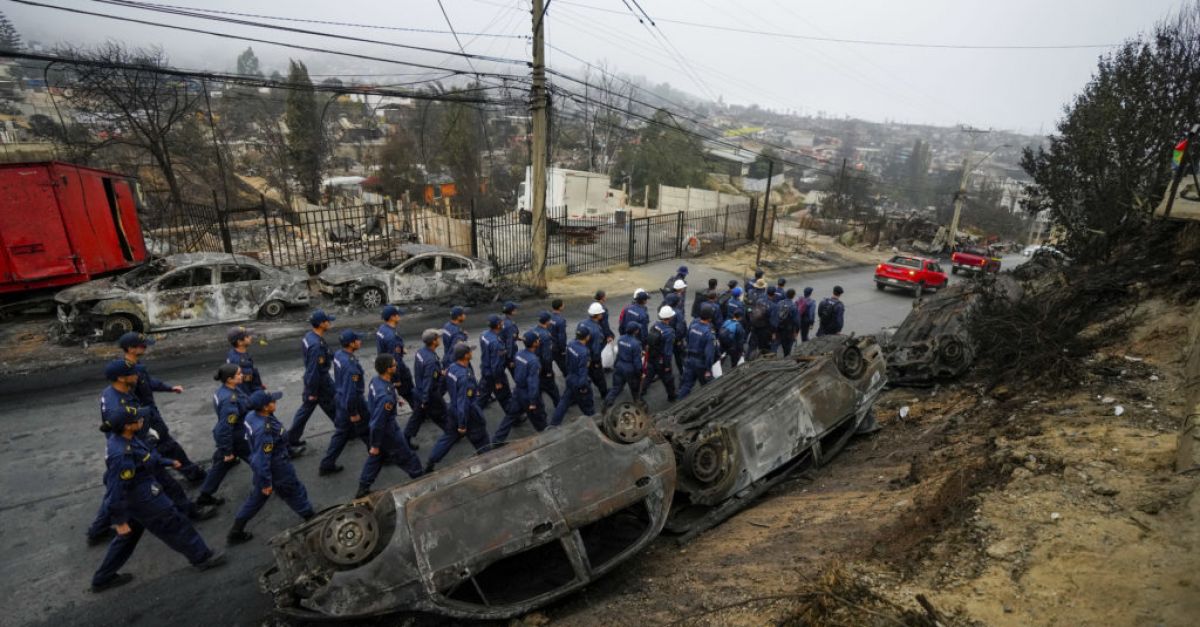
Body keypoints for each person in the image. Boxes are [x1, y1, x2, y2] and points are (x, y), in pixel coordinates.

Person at [90, 399, 225, 593]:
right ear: (128, 426)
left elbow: (146, 457)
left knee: (127, 538)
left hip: (136, 500)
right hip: (145, 501)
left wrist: (168, 462)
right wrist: (119, 520)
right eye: (138, 419)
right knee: (176, 525)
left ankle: (102, 578)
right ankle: (202, 557)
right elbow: (115, 489)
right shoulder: (122, 454)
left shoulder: (127, 438)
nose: (142, 420)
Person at [86, 360, 216, 547]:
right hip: (133, 449)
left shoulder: (115, 392)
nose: (137, 376)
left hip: (133, 445)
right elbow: (123, 428)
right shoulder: (118, 403)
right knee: (164, 482)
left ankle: (97, 530)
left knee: (117, 489)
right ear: (122, 378)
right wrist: (145, 442)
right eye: (133, 373)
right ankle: (190, 511)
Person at [228, 391, 315, 545]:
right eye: (272, 402)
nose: (275, 402)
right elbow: (262, 459)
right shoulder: (265, 429)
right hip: (277, 468)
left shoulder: (252, 417)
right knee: (293, 491)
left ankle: (236, 530)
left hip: (264, 469)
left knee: (256, 498)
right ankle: (312, 519)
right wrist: (267, 482)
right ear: (265, 407)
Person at [118, 332, 205, 483]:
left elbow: (149, 382)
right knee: (167, 446)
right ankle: (191, 474)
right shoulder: (128, 372)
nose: (145, 348)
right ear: (131, 349)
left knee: (159, 447)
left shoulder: (137, 367)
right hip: (146, 417)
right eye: (141, 345)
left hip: (148, 414)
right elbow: (129, 399)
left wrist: (169, 388)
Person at [356, 355, 423, 498]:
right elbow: (378, 423)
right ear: (388, 369)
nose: (396, 366)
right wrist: (374, 444)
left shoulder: (376, 381)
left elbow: (381, 396)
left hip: (382, 429)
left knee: (376, 458)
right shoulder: (386, 397)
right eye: (394, 365)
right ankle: (421, 479)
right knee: (408, 457)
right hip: (389, 432)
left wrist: (396, 398)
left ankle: (363, 486)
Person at [425, 344, 491, 473]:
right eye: (470, 352)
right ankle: (489, 461)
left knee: (448, 437)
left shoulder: (451, 368)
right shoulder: (464, 376)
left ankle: (431, 461)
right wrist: (462, 424)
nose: (471, 353)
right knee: (481, 439)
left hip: (452, 410)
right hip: (468, 414)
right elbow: (464, 403)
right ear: (466, 356)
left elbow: (442, 387)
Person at [195, 364, 251, 508]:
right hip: (236, 437)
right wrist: (227, 450)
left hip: (231, 437)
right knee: (258, 460)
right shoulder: (229, 400)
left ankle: (205, 495)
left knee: (220, 465)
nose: (242, 375)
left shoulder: (226, 390)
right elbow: (225, 427)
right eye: (238, 374)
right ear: (230, 379)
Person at [318, 330, 369, 476]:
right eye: (358, 340)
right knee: (366, 428)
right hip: (353, 402)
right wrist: (353, 412)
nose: (360, 342)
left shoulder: (340, 355)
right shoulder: (350, 366)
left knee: (341, 433)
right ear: (351, 343)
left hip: (340, 399)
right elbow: (351, 391)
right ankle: (378, 455)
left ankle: (327, 464)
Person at [287, 310, 337, 450]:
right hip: (320, 382)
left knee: (330, 405)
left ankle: (291, 438)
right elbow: (313, 370)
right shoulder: (316, 345)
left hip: (318, 381)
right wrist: (312, 391)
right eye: (327, 321)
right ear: (321, 324)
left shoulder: (310, 337)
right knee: (332, 403)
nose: (330, 323)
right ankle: (345, 430)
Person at [493, 331, 548, 445]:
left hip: (518, 391)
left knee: (510, 416)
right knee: (540, 419)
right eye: (537, 340)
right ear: (534, 343)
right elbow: (533, 382)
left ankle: (497, 440)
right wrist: (533, 402)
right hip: (528, 394)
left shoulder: (518, 354)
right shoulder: (534, 361)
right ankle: (547, 439)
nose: (539, 341)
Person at [406, 329, 446, 445]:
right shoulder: (431, 360)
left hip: (418, 391)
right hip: (429, 394)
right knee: (442, 414)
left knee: (417, 417)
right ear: (434, 342)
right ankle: (452, 434)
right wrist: (425, 400)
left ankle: (406, 438)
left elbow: (423, 373)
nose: (439, 339)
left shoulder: (421, 352)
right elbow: (428, 380)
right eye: (438, 338)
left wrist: (438, 372)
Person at [550, 327, 596, 426]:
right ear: (587, 337)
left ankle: (553, 424)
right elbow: (583, 371)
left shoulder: (571, 344)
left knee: (564, 403)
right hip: (579, 381)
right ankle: (594, 423)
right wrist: (583, 387)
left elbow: (566, 361)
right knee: (587, 405)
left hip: (570, 378)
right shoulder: (584, 352)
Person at [376, 304, 416, 413]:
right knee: (410, 392)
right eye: (397, 315)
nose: (399, 316)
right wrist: (397, 378)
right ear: (392, 317)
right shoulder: (392, 336)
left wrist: (401, 349)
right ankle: (419, 414)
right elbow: (396, 359)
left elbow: (385, 349)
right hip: (396, 370)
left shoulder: (382, 329)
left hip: (385, 366)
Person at [679, 305, 717, 399]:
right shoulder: (709, 334)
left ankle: (678, 404)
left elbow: (687, 340)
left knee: (687, 385)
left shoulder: (693, 326)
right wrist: (708, 369)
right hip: (701, 364)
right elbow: (709, 355)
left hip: (689, 359)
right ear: (710, 318)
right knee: (707, 386)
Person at [604, 322, 644, 410]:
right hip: (630, 369)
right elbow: (637, 361)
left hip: (619, 366)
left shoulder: (620, 339)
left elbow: (619, 353)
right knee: (634, 388)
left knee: (616, 388)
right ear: (636, 331)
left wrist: (615, 365)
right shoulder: (636, 344)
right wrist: (640, 372)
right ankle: (637, 404)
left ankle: (607, 403)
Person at [642, 306, 678, 401]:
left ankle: (640, 393)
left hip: (652, 356)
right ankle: (672, 397)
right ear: (670, 317)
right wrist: (667, 365)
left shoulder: (655, 325)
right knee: (668, 379)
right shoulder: (669, 332)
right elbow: (667, 351)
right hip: (661, 360)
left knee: (648, 377)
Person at [477, 314, 513, 410]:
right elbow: (496, 365)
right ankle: (514, 417)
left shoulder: (484, 335)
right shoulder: (496, 343)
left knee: (483, 396)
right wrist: (497, 381)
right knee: (505, 396)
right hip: (494, 374)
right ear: (498, 325)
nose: (503, 323)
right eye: (501, 322)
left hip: (485, 370)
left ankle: (471, 415)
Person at [225, 327, 264, 397]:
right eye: (247, 336)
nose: (250, 337)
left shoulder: (233, 352)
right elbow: (247, 382)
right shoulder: (242, 362)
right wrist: (259, 389)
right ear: (239, 342)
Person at [580, 303, 609, 397]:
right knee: (599, 375)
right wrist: (596, 361)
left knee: (585, 372)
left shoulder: (582, 323)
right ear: (598, 315)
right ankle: (604, 393)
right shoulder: (596, 330)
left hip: (581, 353)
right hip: (592, 356)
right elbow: (596, 348)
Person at [534, 313, 560, 405]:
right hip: (543, 366)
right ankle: (558, 404)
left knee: (538, 386)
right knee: (552, 387)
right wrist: (548, 371)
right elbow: (546, 356)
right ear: (547, 321)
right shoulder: (545, 335)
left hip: (535, 363)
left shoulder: (534, 330)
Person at [746, 286, 774, 357]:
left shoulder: (759, 301)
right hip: (764, 329)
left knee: (752, 345)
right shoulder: (773, 306)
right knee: (764, 347)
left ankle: (747, 359)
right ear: (774, 294)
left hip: (755, 326)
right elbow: (773, 321)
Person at [774, 288, 801, 356]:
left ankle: (773, 357)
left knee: (776, 344)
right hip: (788, 330)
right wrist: (796, 332)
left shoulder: (779, 303)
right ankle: (786, 359)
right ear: (793, 296)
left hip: (778, 328)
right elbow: (796, 321)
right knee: (787, 347)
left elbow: (775, 315)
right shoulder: (793, 306)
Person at [665, 293, 688, 371]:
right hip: (677, 340)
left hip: (669, 337)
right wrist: (678, 340)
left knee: (675, 356)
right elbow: (680, 329)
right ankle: (684, 373)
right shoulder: (678, 313)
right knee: (682, 356)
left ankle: (680, 371)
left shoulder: (665, 310)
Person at [549, 299, 569, 376]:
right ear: (560, 307)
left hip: (549, 345)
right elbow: (562, 337)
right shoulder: (561, 320)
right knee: (565, 366)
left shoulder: (549, 317)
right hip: (557, 347)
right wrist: (563, 349)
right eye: (563, 304)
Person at [499, 301, 520, 372]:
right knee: (517, 375)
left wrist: (517, 337)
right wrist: (511, 359)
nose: (516, 310)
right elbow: (509, 343)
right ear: (511, 311)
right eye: (515, 309)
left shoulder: (501, 319)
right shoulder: (509, 325)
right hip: (509, 353)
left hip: (501, 349)